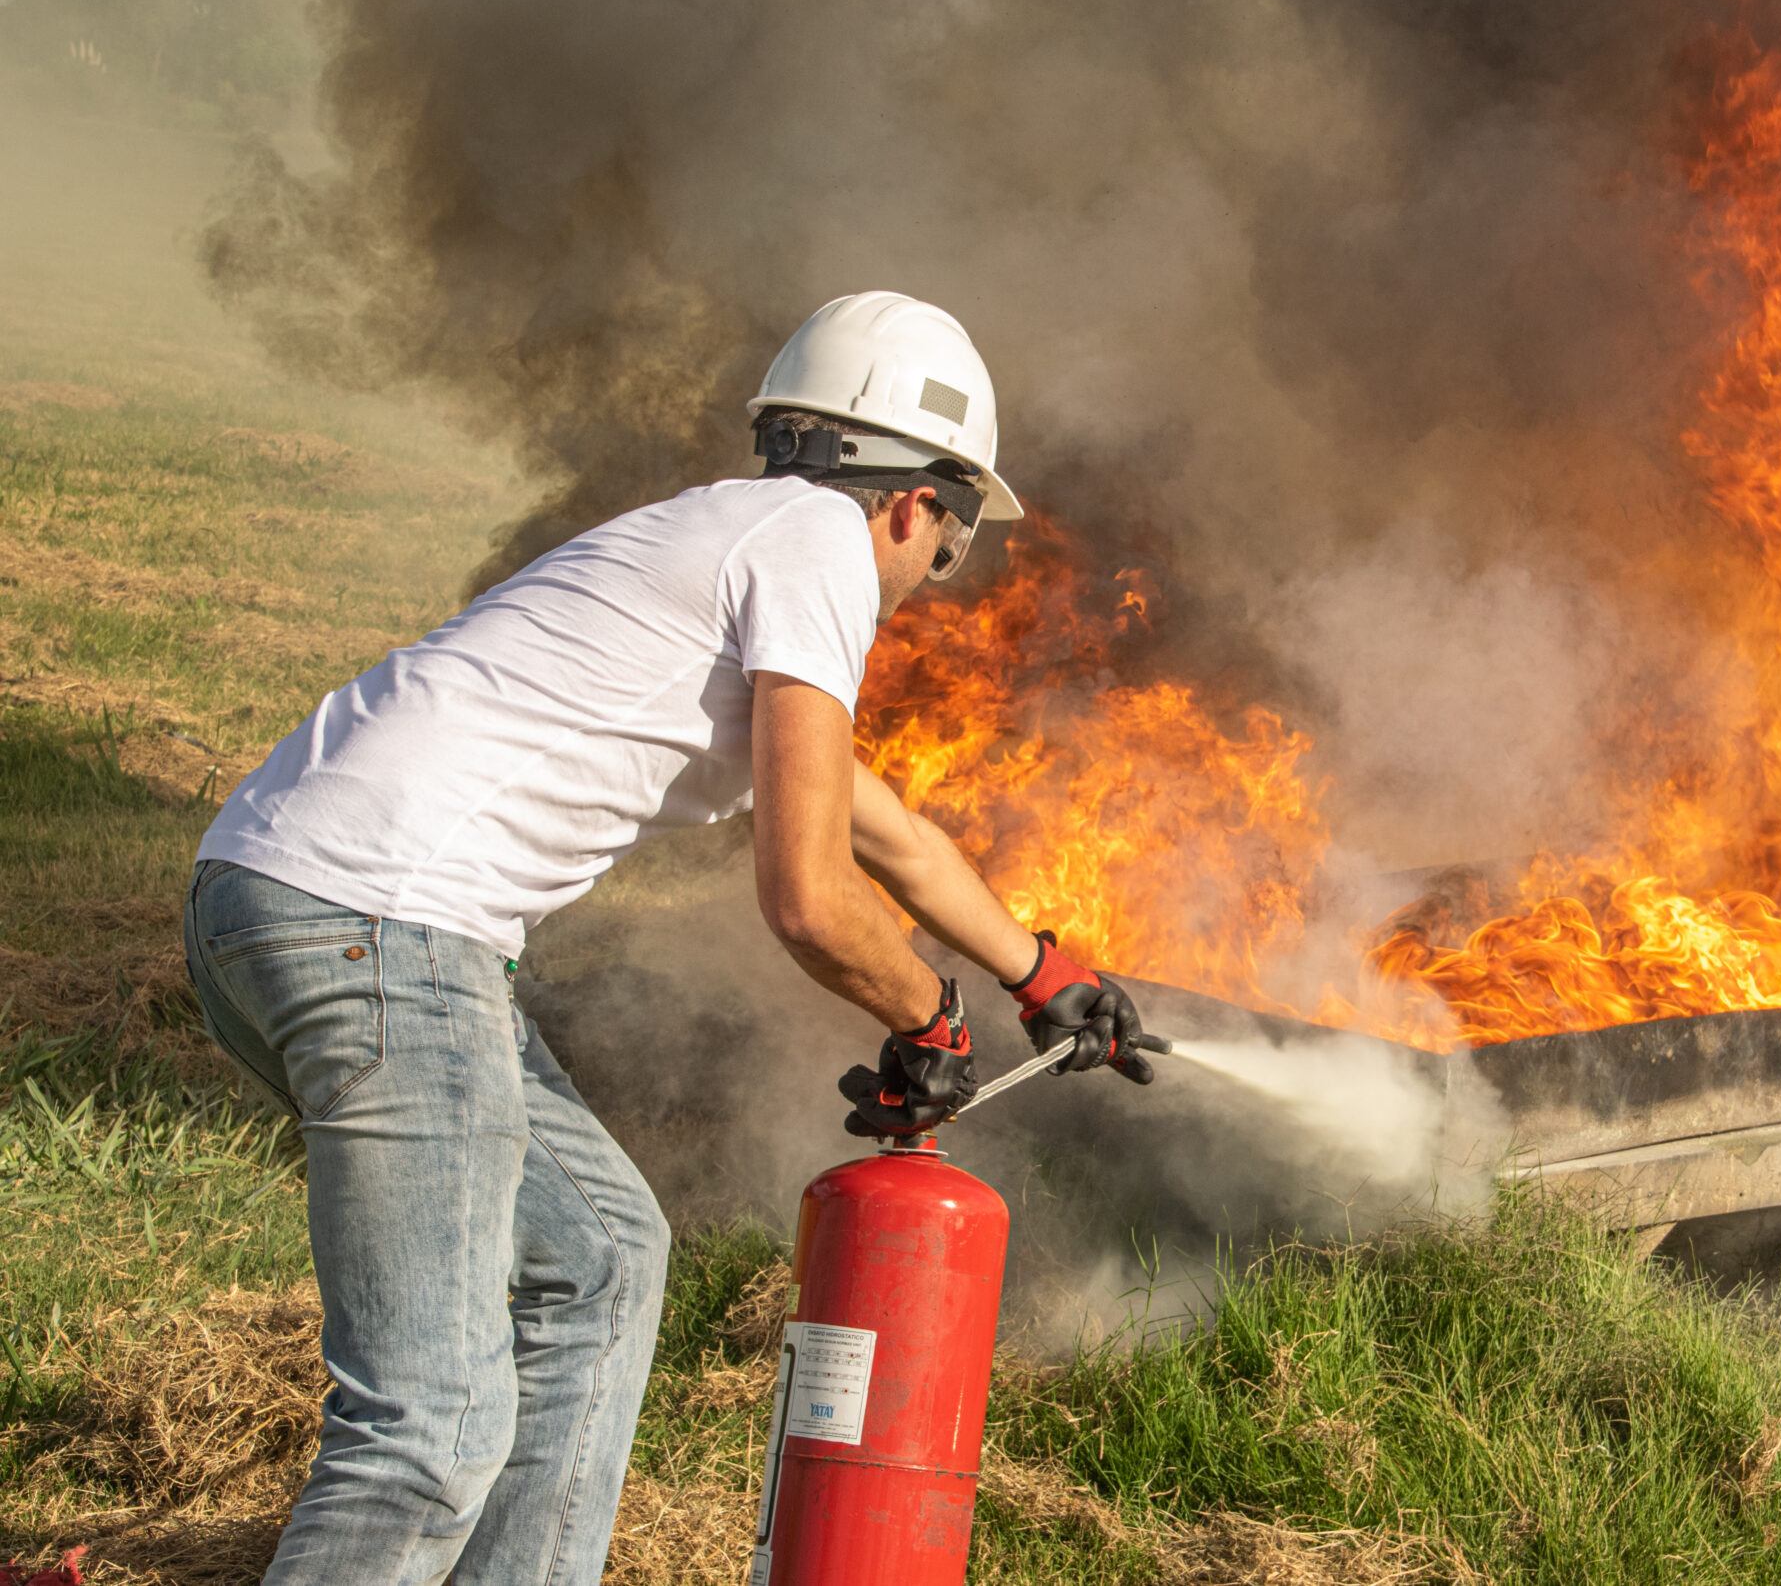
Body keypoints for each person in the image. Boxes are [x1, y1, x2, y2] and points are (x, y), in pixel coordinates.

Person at [180, 291, 1164, 1586]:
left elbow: (891, 837)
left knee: (597, 1260)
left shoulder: (732, 546)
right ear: (913, 502)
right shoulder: (816, 550)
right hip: (382, 928)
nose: (936, 582)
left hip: (285, 902)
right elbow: (808, 895)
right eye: (955, 546)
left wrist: (1047, 975)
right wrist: (929, 1014)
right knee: (431, 1425)